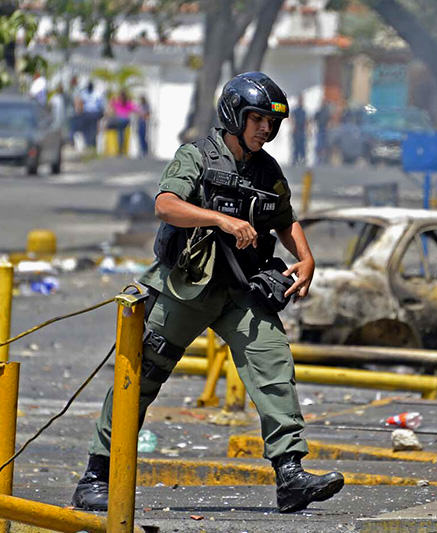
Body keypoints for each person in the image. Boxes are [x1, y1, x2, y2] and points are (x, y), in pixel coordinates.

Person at [70, 72, 344, 514]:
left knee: (273, 366)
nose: (265, 130)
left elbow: (285, 218)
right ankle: (96, 476)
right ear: (235, 115)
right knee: (141, 378)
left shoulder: (267, 169)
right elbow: (165, 204)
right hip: (186, 285)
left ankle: (290, 474)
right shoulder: (196, 155)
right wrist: (219, 220)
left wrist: (307, 258)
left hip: (241, 289)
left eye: (271, 123)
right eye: (257, 119)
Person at [107, 89, 139, 156]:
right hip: (125, 121)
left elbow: (110, 104)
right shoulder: (127, 103)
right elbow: (136, 109)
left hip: (120, 121)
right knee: (122, 134)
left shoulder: (119, 102)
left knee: (120, 134)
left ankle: (120, 149)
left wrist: (113, 98)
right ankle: (121, 149)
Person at [78, 81, 105, 150]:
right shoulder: (84, 93)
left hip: (94, 113)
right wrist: (80, 112)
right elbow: (81, 103)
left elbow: (100, 105)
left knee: (94, 129)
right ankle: (88, 144)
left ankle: (93, 144)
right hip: (86, 113)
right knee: (86, 130)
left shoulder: (96, 93)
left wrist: (101, 114)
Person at [314, 101, 331, 165]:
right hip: (320, 129)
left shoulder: (326, 112)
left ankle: (324, 160)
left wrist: (328, 126)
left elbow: (329, 120)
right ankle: (318, 160)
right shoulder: (319, 111)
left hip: (325, 130)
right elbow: (315, 118)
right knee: (319, 145)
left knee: (324, 145)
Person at [291, 94, 307, 165]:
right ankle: (295, 159)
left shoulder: (303, 111)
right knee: (296, 145)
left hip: (302, 130)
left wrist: (308, 129)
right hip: (296, 130)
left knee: (302, 145)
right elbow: (291, 118)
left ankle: (302, 159)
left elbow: (306, 121)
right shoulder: (295, 110)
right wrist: (293, 125)